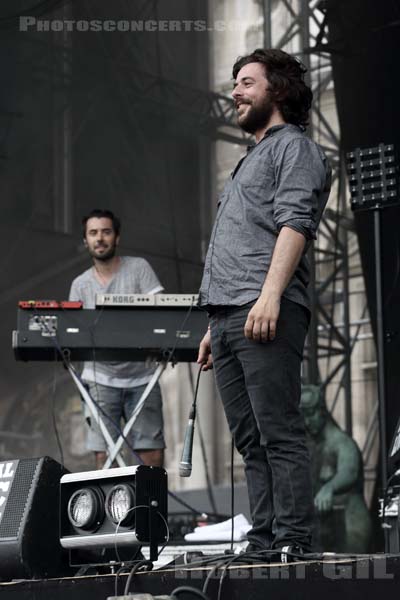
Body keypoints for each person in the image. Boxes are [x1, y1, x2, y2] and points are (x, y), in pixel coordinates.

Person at [197, 48, 331, 556]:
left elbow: (295, 223)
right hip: (231, 315)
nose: (235, 91)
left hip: (264, 307)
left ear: (277, 89)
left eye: (247, 83)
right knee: (251, 440)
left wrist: (270, 295)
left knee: (279, 431)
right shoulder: (249, 158)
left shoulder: (293, 148)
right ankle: (263, 541)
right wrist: (216, 324)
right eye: (235, 83)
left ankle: (292, 542)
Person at [69, 209, 165, 469]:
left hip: (143, 376)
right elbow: (74, 333)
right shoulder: (80, 285)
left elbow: (162, 315)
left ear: (117, 237)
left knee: (152, 455)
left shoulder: (139, 268)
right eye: (93, 233)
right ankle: (110, 510)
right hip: (100, 380)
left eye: (106, 231)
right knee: (103, 457)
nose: (100, 238)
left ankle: (148, 509)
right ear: (86, 240)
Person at [301, 385, 372, 553]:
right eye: (303, 416)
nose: (307, 422)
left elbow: (349, 471)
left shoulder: (341, 442)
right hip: (323, 526)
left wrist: (329, 487)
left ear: (322, 411)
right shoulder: (310, 445)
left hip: (349, 522)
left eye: (311, 414)